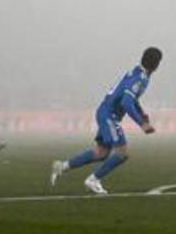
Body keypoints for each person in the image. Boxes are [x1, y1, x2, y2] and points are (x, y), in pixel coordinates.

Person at [50, 47, 161, 195]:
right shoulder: (140, 78)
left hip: (105, 112)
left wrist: (142, 113)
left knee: (101, 152)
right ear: (155, 64)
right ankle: (93, 180)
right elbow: (126, 103)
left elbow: (131, 98)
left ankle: (62, 166)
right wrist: (142, 124)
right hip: (109, 115)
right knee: (122, 153)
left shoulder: (139, 73)